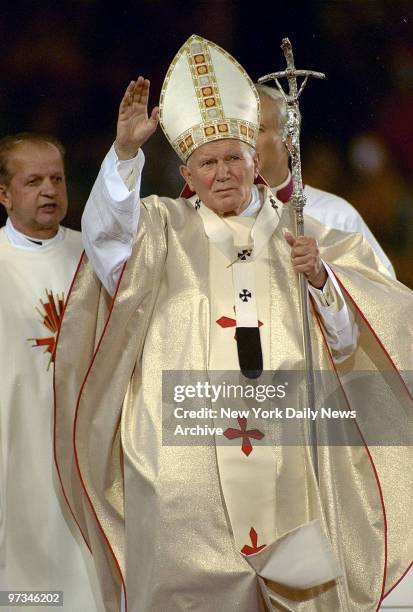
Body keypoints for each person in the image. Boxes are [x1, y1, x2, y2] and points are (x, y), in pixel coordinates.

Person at [54, 36, 413, 611]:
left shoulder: (305, 233)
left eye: (233, 160)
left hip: (291, 446)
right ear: (187, 172)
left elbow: (350, 344)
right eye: (207, 163)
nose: (222, 174)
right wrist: (124, 154)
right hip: (182, 449)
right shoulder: (159, 226)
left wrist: (323, 281)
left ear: (258, 162)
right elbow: (106, 241)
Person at [0, 133, 103, 610]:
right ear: (4, 194)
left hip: (90, 456)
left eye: (57, 179)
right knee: (26, 585)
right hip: (15, 448)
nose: (48, 191)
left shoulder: (96, 256)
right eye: (33, 181)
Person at [255, 83, 396, 277]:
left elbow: (382, 293)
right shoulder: (214, 216)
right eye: (238, 131)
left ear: (289, 139)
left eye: (258, 129)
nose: (243, 140)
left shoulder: (336, 216)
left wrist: (323, 278)